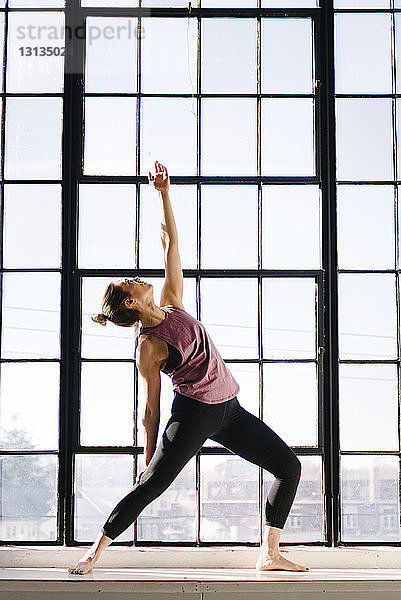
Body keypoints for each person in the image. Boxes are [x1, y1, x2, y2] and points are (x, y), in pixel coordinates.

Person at [68, 160, 309, 575]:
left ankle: (269, 553)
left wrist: (163, 193)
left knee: (289, 467)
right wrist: (148, 456)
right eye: (131, 283)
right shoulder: (149, 346)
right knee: (152, 485)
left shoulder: (171, 303)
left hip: (229, 410)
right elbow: (151, 408)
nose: (139, 279)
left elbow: (170, 245)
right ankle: (94, 553)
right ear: (130, 303)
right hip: (194, 415)